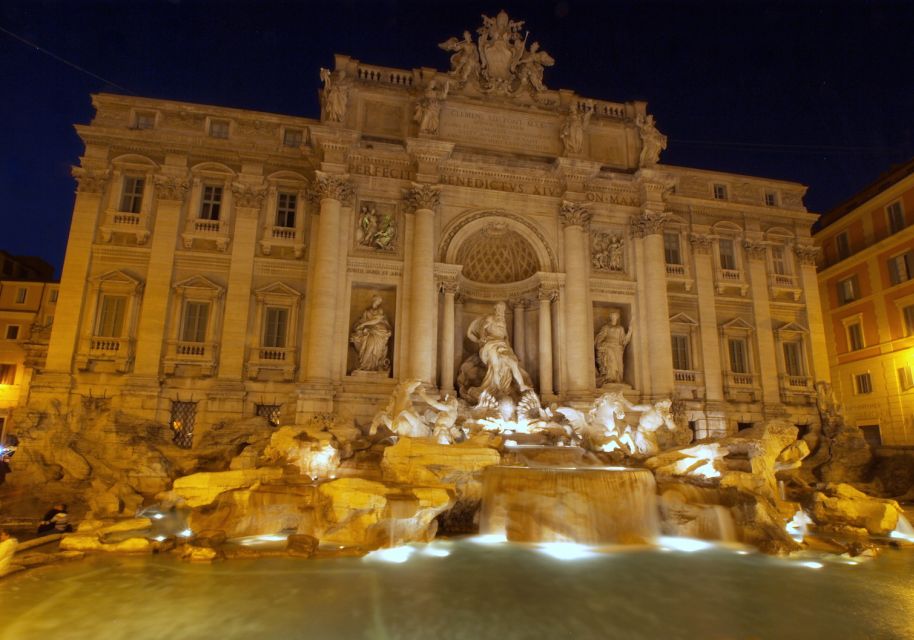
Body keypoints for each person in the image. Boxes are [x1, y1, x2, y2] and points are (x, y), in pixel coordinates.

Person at [467, 302, 531, 406]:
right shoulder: (490, 318)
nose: (501, 311)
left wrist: (511, 352)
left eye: (503, 309)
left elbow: (506, 338)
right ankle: (496, 388)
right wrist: (481, 339)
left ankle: (522, 385)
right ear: (495, 309)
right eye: (500, 309)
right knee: (495, 366)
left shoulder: (503, 321)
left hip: (502, 345)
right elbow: (482, 329)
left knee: (513, 364)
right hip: (491, 345)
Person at [350, 296, 392, 373]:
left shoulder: (380, 310)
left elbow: (376, 320)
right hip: (369, 331)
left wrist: (363, 324)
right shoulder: (367, 311)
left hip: (379, 331)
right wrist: (361, 326)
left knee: (373, 345)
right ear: (374, 300)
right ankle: (365, 365)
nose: (378, 303)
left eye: (379, 302)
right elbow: (361, 321)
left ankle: (373, 365)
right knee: (366, 342)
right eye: (378, 301)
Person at [595, 310, 633, 384]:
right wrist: (603, 345)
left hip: (618, 349)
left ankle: (618, 380)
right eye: (612, 316)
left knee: (619, 366)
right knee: (611, 363)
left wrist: (630, 331)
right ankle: (610, 379)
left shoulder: (620, 328)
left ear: (617, 318)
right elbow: (600, 338)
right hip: (608, 347)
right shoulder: (606, 327)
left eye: (615, 316)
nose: (614, 317)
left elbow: (624, 341)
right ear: (610, 317)